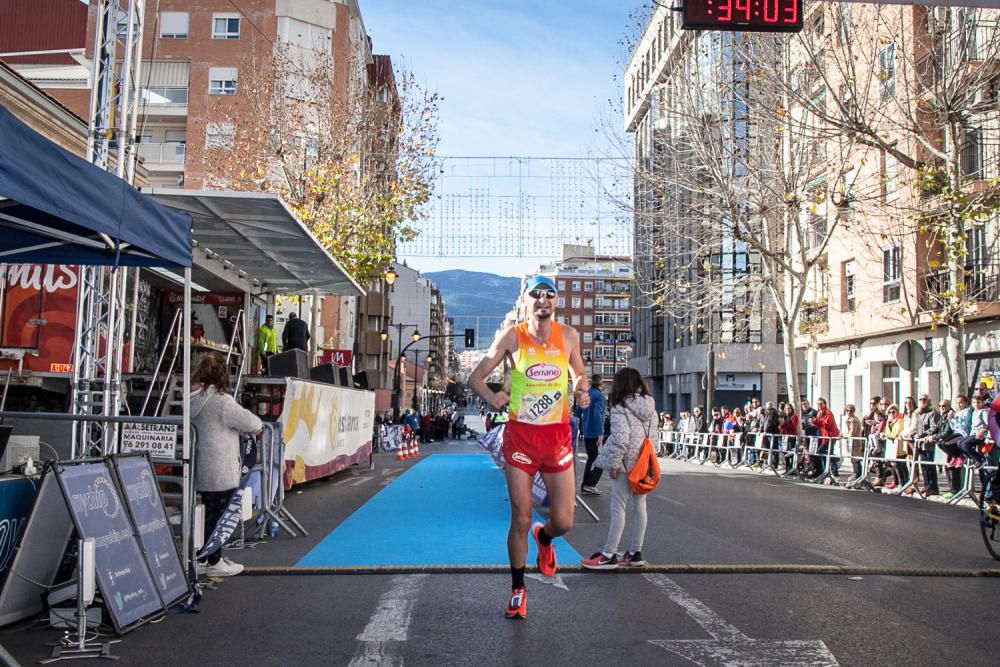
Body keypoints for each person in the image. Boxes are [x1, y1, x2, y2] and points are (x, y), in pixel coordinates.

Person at [467, 274, 589, 620]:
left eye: (549, 295)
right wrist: (492, 397)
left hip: (556, 437)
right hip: (521, 436)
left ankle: (545, 539)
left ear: (555, 302)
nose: (543, 301)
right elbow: (475, 376)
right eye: (536, 295)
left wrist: (580, 389)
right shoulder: (512, 336)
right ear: (525, 301)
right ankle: (518, 589)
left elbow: (579, 373)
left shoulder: (568, 336)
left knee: (563, 521)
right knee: (520, 516)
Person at [190, 353, 262, 577]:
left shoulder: (194, 400)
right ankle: (214, 560)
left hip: (202, 466)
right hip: (222, 467)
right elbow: (253, 423)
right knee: (219, 518)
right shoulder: (222, 402)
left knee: (208, 514)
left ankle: (202, 557)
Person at [581, 367, 658, 570]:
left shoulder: (620, 407)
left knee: (618, 507)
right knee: (640, 506)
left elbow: (620, 439)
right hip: (644, 464)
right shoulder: (650, 406)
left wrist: (614, 464)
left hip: (625, 464)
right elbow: (655, 439)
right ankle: (635, 552)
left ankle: (609, 553)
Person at [576, 374, 607, 495]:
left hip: (586, 431)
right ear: (601, 384)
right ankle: (590, 483)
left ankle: (586, 484)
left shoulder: (585, 394)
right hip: (595, 431)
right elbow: (598, 414)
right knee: (600, 458)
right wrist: (600, 433)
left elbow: (578, 411)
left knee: (591, 458)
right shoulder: (599, 397)